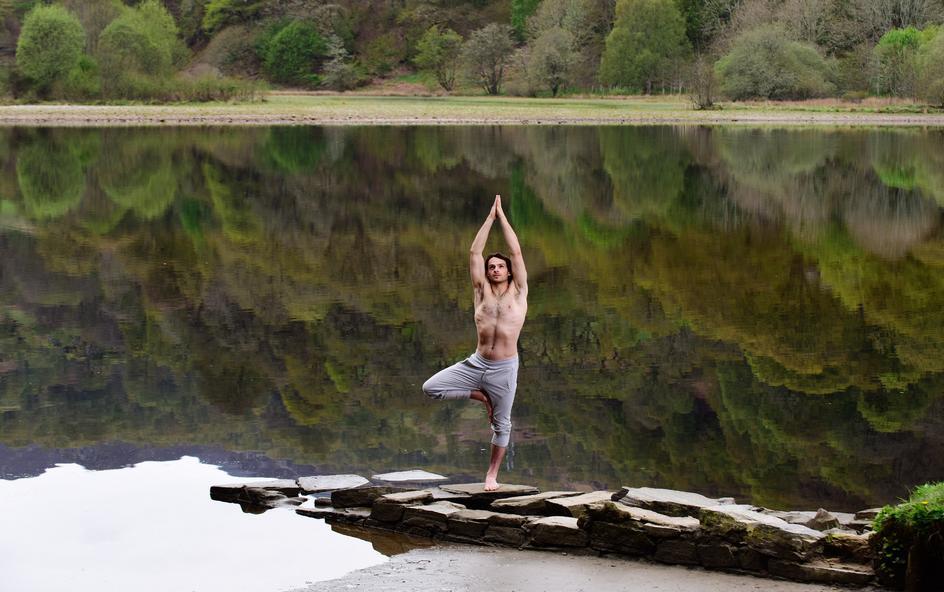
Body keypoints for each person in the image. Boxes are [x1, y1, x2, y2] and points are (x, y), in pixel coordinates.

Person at [423, 194, 528, 491]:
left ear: (508, 271)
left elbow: (517, 252)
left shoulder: (519, 291)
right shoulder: (480, 290)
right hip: (476, 363)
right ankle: (480, 395)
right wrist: (488, 219)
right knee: (431, 389)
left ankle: (492, 475)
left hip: (504, 369)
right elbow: (473, 253)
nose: (494, 269)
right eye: (491, 266)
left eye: (499, 266)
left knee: (502, 425)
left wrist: (503, 218)